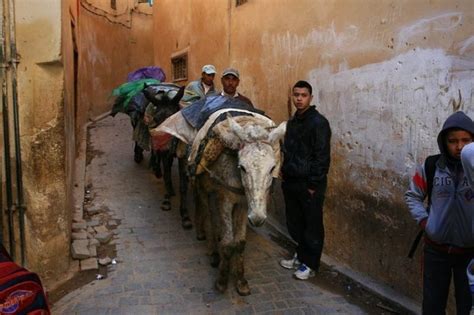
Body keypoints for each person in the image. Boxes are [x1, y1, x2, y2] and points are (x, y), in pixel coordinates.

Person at [405, 111, 474, 314]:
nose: (459, 147)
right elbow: (412, 195)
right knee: (433, 306)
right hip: (436, 251)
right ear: (444, 142)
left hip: (469, 254)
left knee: (467, 307)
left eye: (466, 140)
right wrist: (426, 222)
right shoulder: (432, 166)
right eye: (453, 141)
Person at [279, 80, 331, 280]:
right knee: (296, 223)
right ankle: (300, 256)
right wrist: (284, 170)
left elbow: (322, 156)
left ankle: (310, 264)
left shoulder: (319, 123)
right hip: (291, 182)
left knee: (312, 225)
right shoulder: (292, 123)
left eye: (303, 95)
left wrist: (313, 184)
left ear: (310, 97)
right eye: (296, 95)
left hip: (310, 185)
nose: (299, 99)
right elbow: (288, 150)